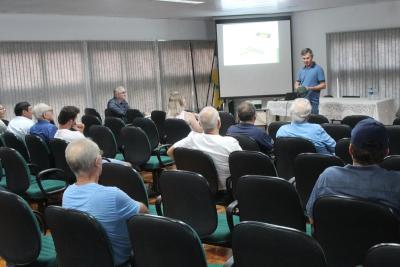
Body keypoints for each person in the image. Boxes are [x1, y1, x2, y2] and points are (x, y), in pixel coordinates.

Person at [63, 138, 148, 266]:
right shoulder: (113, 195)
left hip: (85, 258)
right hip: (115, 261)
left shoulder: (67, 193)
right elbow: (144, 211)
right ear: (98, 162)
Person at [306, 118, 400, 221]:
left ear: (350, 149)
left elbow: (312, 218)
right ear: (386, 152)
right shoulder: (397, 183)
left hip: (335, 237)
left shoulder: (327, 177)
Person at [167, 106, 242, 190]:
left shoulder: (191, 138)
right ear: (219, 123)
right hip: (225, 191)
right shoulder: (231, 142)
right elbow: (241, 167)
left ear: (199, 124)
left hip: (198, 188)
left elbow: (170, 152)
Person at [294, 48, 326, 114]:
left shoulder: (318, 69)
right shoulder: (301, 70)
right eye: (304, 58)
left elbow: (323, 85)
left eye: (307, 58)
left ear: (312, 57)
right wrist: (297, 87)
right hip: (302, 103)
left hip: (313, 103)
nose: (305, 60)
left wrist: (309, 88)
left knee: (313, 122)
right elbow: (297, 83)